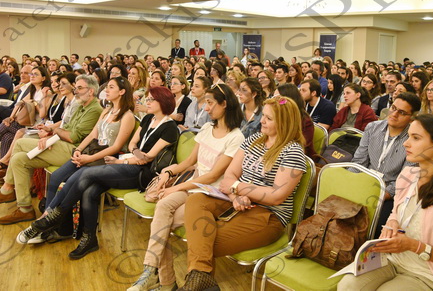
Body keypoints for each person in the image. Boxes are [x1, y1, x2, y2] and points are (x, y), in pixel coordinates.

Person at [20, 86, 179, 259]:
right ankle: (89, 239)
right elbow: (134, 144)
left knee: (86, 173)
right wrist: (136, 154)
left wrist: (124, 160)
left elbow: (149, 157)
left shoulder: (170, 128)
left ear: (163, 102)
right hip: (130, 162)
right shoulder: (148, 118)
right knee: (89, 190)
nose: (146, 102)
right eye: (147, 99)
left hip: (143, 174)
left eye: (151, 100)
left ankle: (56, 215)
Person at [339, 114, 433, 291]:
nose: (406, 143)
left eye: (416, 138)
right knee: (347, 285)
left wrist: (415, 246)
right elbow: (396, 212)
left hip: (429, 274)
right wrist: (392, 223)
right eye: (409, 136)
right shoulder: (407, 176)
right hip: (393, 259)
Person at [180, 96, 307, 290]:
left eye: (269, 118)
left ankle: (198, 281)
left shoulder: (293, 152)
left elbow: (275, 196)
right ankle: (202, 281)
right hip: (235, 200)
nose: (262, 121)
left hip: (268, 214)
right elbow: (230, 174)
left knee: (203, 242)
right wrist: (235, 196)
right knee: (197, 200)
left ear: (285, 122)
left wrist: (237, 187)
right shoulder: (254, 139)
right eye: (263, 116)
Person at [127, 82, 245, 291]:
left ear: (225, 104)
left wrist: (175, 188)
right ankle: (151, 271)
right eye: (205, 103)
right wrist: (169, 173)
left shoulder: (236, 137)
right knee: (162, 208)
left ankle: (163, 281)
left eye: (210, 103)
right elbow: (190, 161)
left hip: (213, 194)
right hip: (194, 186)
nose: (206, 108)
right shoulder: (207, 128)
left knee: (162, 226)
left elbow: (213, 176)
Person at [0, 74, 103, 225]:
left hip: (74, 151)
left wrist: (54, 133)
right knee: (19, 159)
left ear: (91, 91)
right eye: (76, 87)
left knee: (19, 143)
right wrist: (51, 135)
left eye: (79, 88)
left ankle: (7, 188)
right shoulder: (81, 105)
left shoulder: (94, 109)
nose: (76, 91)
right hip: (62, 144)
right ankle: (25, 208)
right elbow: (65, 128)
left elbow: (72, 137)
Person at [351, 92, 421, 236]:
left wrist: (380, 194)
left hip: (390, 194)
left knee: (378, 226)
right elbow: (358, 162)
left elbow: (404, 181)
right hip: (363, 184)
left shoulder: (413, 140)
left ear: (412, 118)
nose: (394, 114)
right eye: (393, 108)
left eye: (401, 112)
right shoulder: (372, 128)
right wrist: (354, 186)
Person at [276, 83, 317, 159]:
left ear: (289, 100)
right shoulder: (275, 117)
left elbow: (301, 147)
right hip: (278, 153)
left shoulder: (305, 122)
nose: (274, 102)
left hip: (297, 158)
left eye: (278, 99)